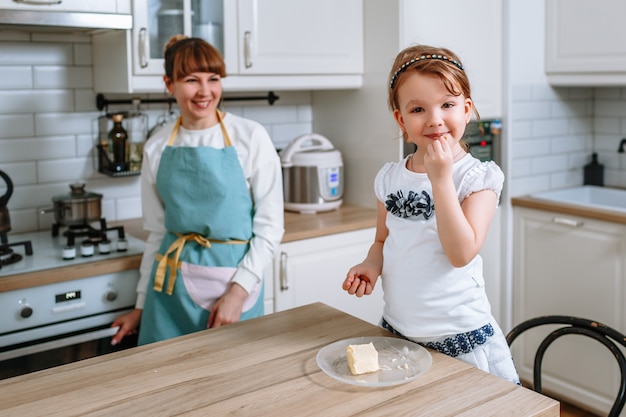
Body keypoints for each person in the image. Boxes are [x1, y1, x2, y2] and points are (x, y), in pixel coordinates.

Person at [342, 44, 519, 383]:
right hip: (399, 333)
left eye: (448, 105)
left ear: (467, 110)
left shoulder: (476, 179)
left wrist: (440, 180)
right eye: (419, 109)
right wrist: (371, 264)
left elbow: (460, 253)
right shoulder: (389, 178)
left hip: (460, 341)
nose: (435, 119)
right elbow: (383, 239)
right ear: (402, 119)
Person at [111, 35, 284, 346]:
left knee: (235, 381)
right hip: (169, 294)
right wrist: (140, 307)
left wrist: (238, 292)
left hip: (234, 286)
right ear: (169, 84)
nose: (206, 91)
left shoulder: (250, 137)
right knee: (168, 384)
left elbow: (270, 229)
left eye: (213, 78)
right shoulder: (156, 146)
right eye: (192, 80)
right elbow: (156, 233)